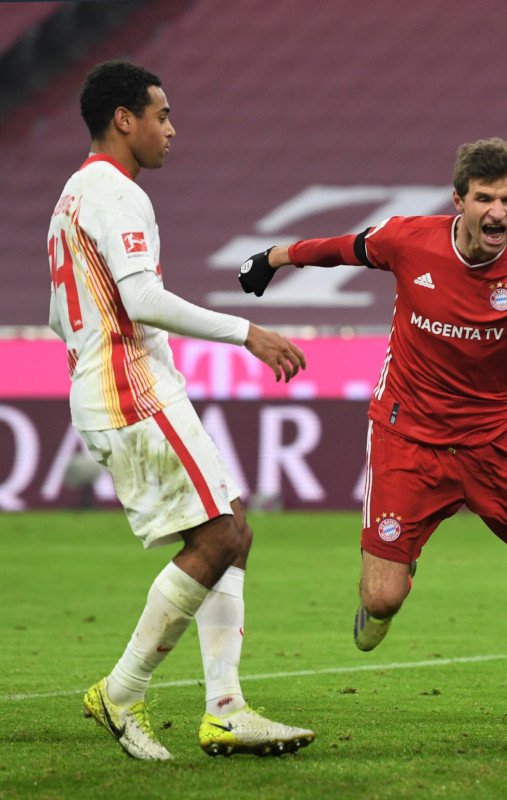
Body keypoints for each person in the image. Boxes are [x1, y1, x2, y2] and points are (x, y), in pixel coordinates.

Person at [236, 137, 507, 699]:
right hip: (408, 435)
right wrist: (274, 257)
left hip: (495, 439)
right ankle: (395, 575)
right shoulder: (408, 239)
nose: (498, 212)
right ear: (459, 200)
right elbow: (342, 248)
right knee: (381, 601)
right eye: (484, 198)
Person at [49, 61, 313, 760]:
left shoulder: (74, 196)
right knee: (221, 537)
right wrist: (247, 332)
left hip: (116, 387)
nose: (172, 129)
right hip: (131, 390)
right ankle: (123, 690)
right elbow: (141, 299)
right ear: (124, 119)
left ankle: (225, 710)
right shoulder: (115, 193)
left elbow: (56, 312)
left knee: (233, 532)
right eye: (161, 115)